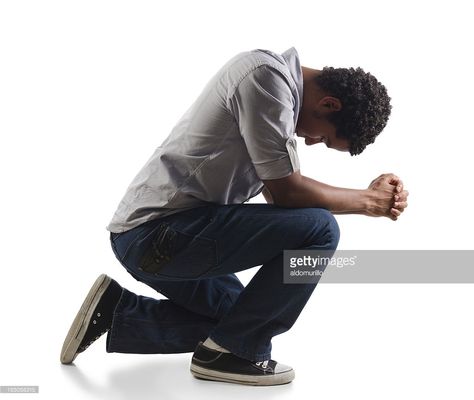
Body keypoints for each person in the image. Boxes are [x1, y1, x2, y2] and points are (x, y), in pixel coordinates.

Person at [60, 47, 409, 386]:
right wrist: (367, 201)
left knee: (240, 319)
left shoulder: (278, 99)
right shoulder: (266, 79)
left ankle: (115, 312)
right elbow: (289, 192)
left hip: (157, 239)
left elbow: (281, 202)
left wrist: (370, 195)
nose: (312, 142)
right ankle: (233, 356)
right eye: (323, 137)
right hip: (156, 236)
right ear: (329, 104)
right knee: (321, 229)